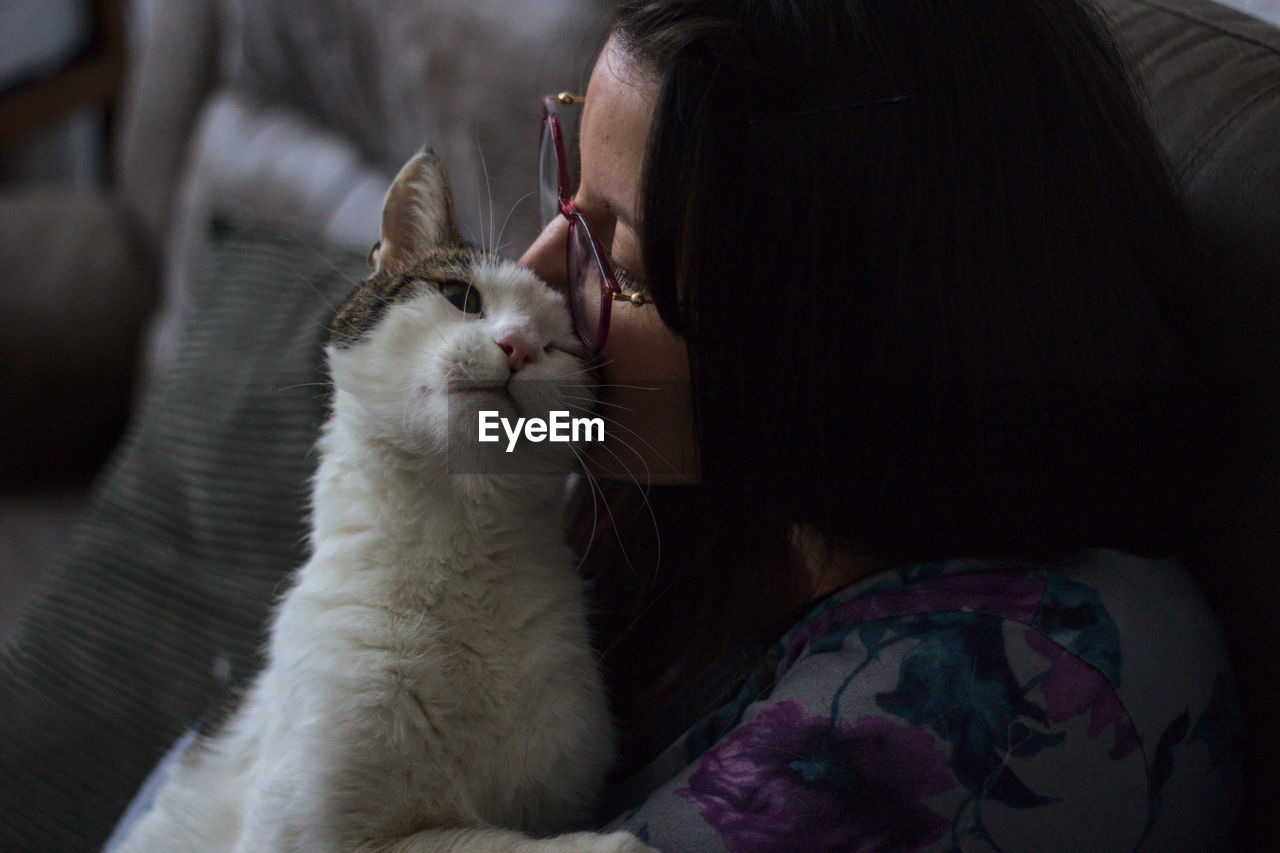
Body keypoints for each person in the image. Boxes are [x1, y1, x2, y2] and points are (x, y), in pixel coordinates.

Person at [518, 0, 1241, 849]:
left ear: (831, 333)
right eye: (573, 195)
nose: (534, 273)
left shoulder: (991, 703)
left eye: (625, 267)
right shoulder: (719, 479)